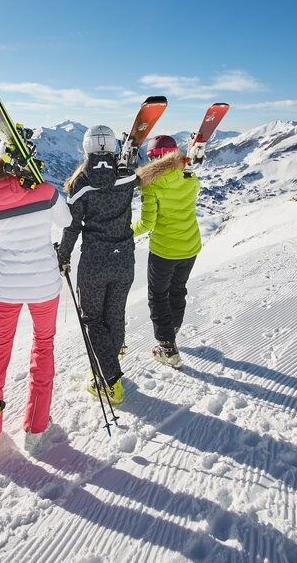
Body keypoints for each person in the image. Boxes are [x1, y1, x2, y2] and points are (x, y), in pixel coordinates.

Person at [0, 150, 72, 458]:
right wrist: (42, 189)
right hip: (44, 287)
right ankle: (35, 429)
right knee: (43, 347)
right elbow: (65, 220)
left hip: (5, 288)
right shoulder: (45, 191)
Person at [56, 125, 137, 405]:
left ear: (86, 147)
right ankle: (110, 367)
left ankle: (110, 382)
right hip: (124, 258)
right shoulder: (128, 175)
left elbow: (72, 226)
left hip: (95, 262)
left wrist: (63, 256)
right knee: (114, 314)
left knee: (93, 319)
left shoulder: (80, 184)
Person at [132, 135, 201, 368]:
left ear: (151, 158)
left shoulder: (151, 184)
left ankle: (167, 347)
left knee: (158, 296)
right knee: (178, 290)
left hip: (164, 251)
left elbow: (146, 224)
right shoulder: (190, 176)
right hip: (190, 247)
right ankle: (172, 330)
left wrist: (124, 231)